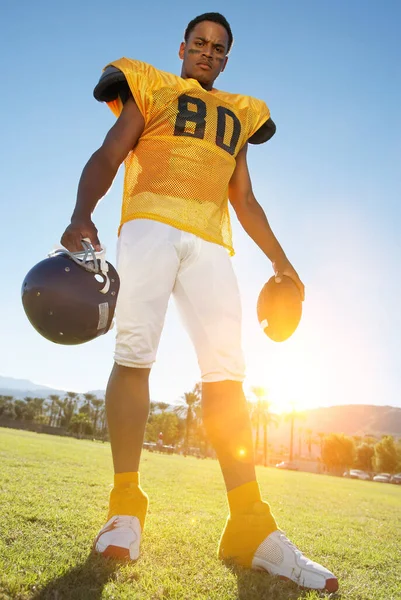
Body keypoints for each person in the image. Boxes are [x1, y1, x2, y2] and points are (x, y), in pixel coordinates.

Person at [60, 12, 338, 592]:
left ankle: (249, 526)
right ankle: (126, 507)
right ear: (183, 47)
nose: (208, 53)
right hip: (149, 225)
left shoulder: (238, 113)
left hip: (211, 243)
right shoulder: (153, 87)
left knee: (227, 374)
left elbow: (246, 200)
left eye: (219, 47)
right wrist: (81, 213)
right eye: (200, 43)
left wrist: (284, 263)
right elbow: (111, 153)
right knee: (135, 354)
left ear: (227, 58)